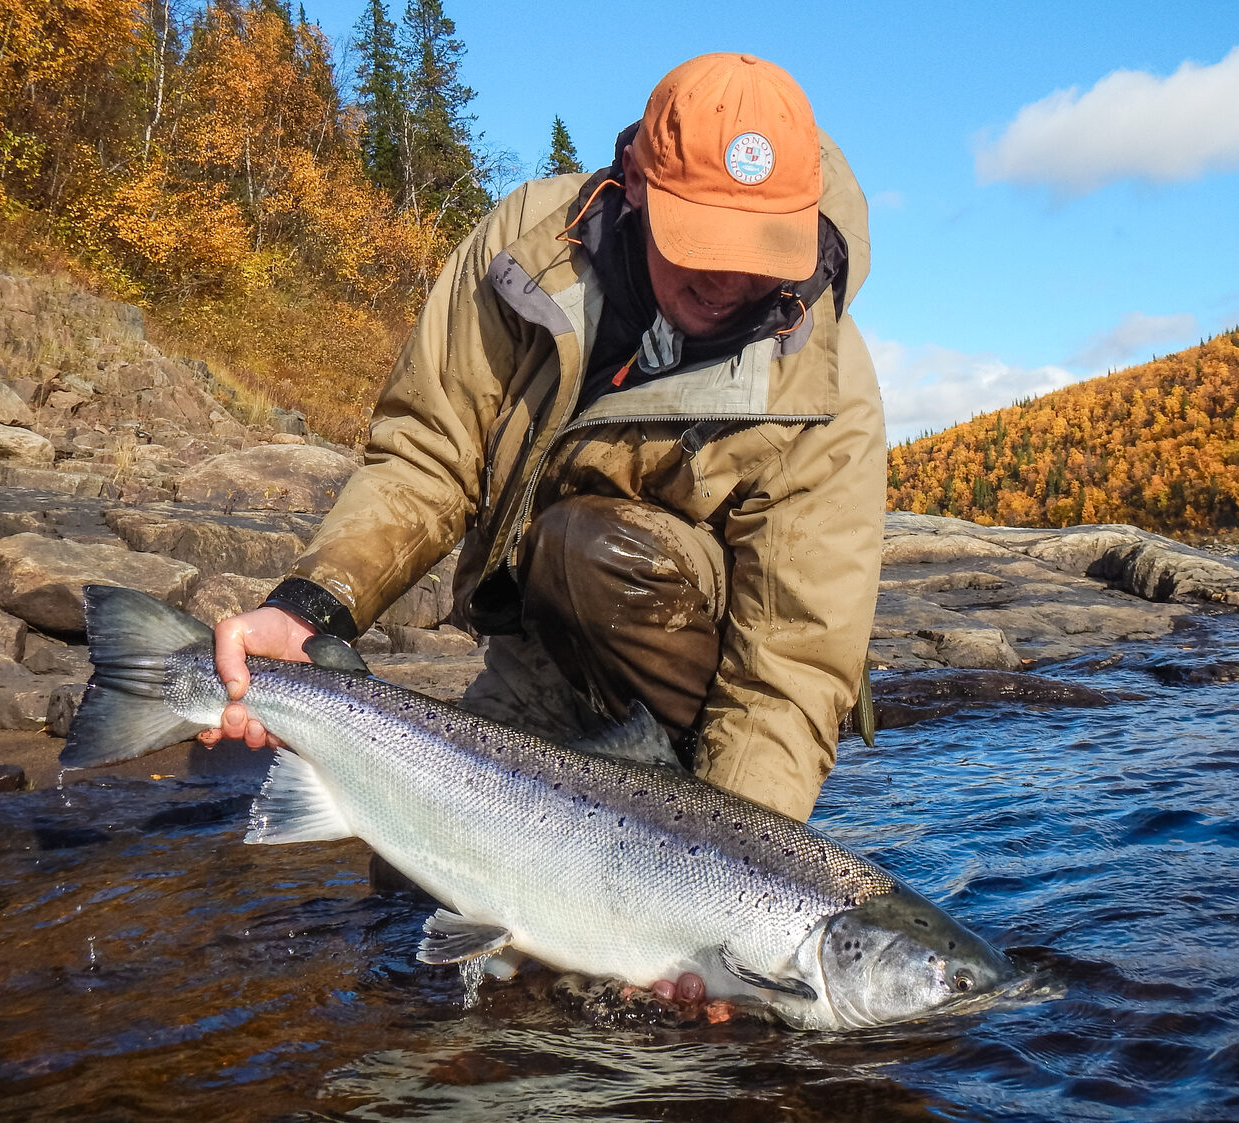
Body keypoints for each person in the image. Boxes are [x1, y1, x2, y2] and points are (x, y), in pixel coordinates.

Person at [202, 52, 884, 827]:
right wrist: (310, 608)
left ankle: (682, 790)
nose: (728, 278)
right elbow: (431, 448)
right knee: (418, 888)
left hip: (704, 665)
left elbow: (788, 667)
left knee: (592, 549)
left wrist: (727, 875)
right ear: (635, 183)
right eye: (702, 241)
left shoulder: (828, 391)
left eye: (758, 249)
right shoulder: (525, 252)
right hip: (543, 649)